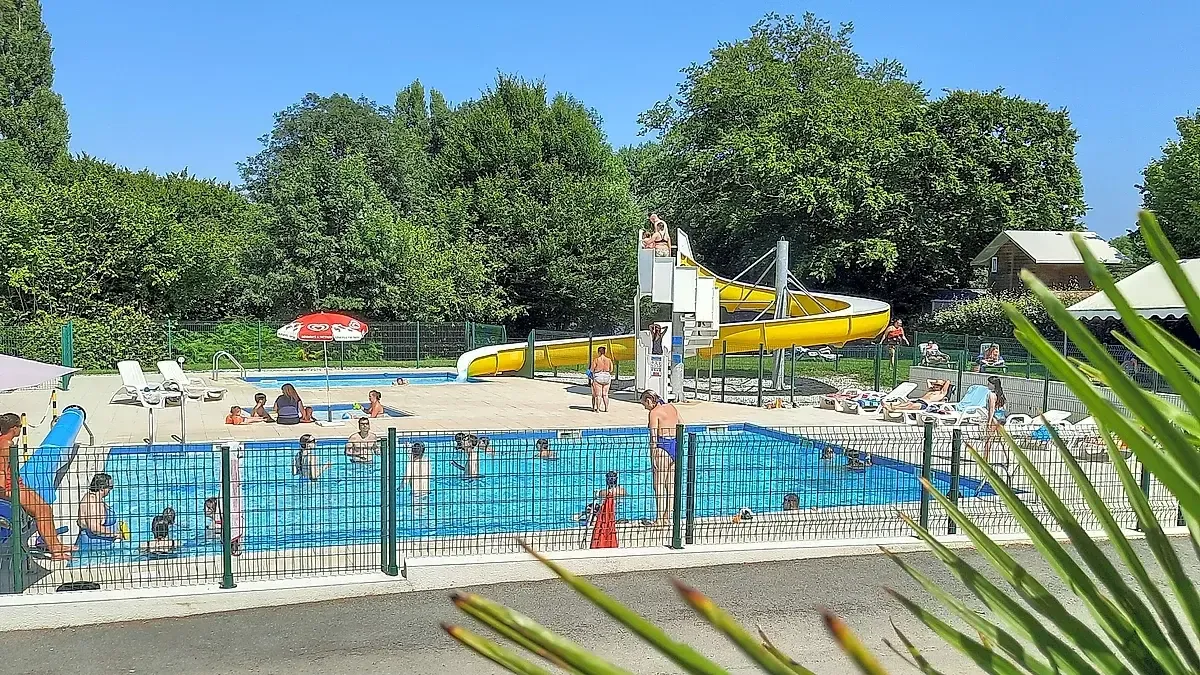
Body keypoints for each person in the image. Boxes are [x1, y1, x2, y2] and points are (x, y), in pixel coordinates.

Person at [0, 413, 73, 559]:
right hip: (10, 487)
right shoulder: (6, 445)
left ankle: (55, 544)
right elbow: (1, 469)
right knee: (41, 512)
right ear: (14, 428)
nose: (20, 429)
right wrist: (4, 491)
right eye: (20, 426)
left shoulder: (4, 442)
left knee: (45, 508)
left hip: (15, 483)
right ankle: (55, 550)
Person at [641, 389, 681, 526]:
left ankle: (658, 519)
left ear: (649, 401)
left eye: (644, 405)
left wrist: (653, 457)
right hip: (675, 445)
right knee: (670, 486)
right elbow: (682, 424)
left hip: (662, 447)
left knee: (658, 486)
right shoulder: (671, 407)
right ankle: (667, 517)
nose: (645, 408)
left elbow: (653, 437)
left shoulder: (654, 413)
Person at [78, 472, 125, 541]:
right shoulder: (92, 503)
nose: (110, 490)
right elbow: (94, 528)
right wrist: (116, 534)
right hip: (96, 547)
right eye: (110, 487)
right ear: (102, 488)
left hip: (104, 544)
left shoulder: (97, 499)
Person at [883, 379, 953, 414]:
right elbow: (928, 380)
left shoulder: (941, 393)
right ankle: (891, 407)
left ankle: (893, 408)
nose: (935, 386)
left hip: (925, 405)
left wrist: (941, 382)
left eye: (937, 385)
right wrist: (935, 382)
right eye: (935, 384)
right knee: (907, 403)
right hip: (919, 400)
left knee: (911, 406)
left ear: (942, 387)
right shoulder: (931, 390)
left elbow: (948, 381)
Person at [983, 376, 1008, 461]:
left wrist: (989, 422)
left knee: (989, 439)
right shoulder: (1001, 394)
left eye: (989, 383)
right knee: (1002, 440)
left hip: (994, 418)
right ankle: (1008, 458)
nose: (987, 385)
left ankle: (985, 459)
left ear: (993, 385)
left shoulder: (991, 394)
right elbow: (1004, 407)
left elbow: (991, 409)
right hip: (1001, 418)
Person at [590, 346, 614, 413]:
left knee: (598, 395)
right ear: (605, 352)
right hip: (607, 376)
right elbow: (611, 370)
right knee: (605, 394)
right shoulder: (609, 360)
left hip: (598, 376)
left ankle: (597, 409)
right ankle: (606, 408)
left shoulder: (596, 360)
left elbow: (592, 369)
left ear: (599, 352)